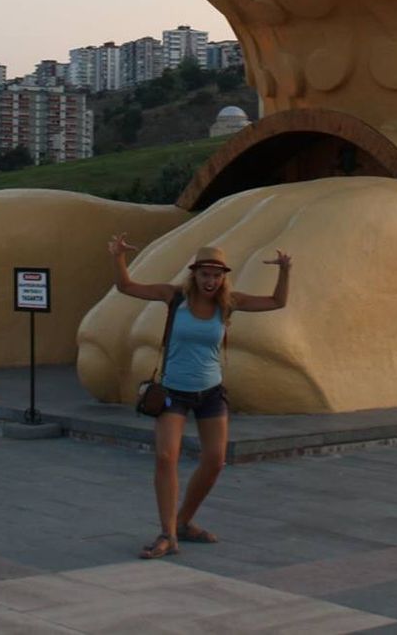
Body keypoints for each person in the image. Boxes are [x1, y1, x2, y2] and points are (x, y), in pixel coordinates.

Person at [106, 234, 291, 560]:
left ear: (223, 278)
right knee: (166, 458)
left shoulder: (228, 303)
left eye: (217, 275)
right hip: (173, 392)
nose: (210, 280)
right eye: (205, 274)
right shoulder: (175, 297)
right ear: (195, 274)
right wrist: (118, 257)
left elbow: (277, 302)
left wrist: (284, 271)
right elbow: (127, 287)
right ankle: (168, 534)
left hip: (210, 393)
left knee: (215, 460)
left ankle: (184, 522)